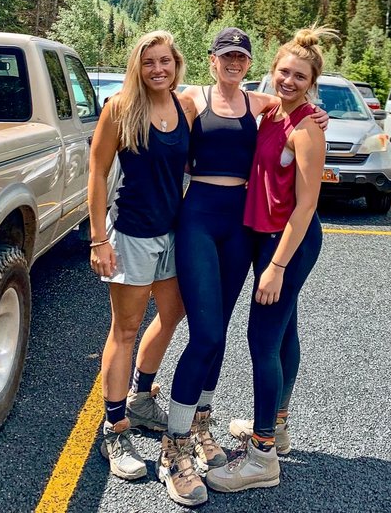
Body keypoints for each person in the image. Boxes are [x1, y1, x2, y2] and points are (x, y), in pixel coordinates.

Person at [158, 27, 327, 507]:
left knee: (257, 336)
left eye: (241, 56)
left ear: (251, 64)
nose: (234, 62)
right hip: (205, 223)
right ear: (211, 60)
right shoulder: (199, 100)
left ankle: (229, 433)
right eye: (226, 55)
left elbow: (305, 164)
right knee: (212, 334)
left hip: (252, 233)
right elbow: (150, 113)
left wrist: (315, 115)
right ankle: (178, 444)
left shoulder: (271, 110)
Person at [206, 27, 329, 493]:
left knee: (262, 340)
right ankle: (276, 427)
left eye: (300, 76)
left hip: (288, 244)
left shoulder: (307, 130)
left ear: (312, 80)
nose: (290, 80)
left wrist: (277, 266)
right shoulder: (272, 111)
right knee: (283, 332)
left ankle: (261, 456)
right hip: (263, 237)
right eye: (283, 72)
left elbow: (305, 206)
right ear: (271, 72)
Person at [87, 30, 202, 495]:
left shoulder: (186, 107)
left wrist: (302, 109)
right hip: (131, 233)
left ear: (177, 64)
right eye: (149, 62)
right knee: (126, 329)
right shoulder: (119, 108)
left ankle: (140, 397)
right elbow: (96, 170)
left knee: (173, 315)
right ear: (138, 66)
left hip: (173, 233)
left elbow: (247, 103)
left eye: (165, 61)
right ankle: (114, 430)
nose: (158, 69)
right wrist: (99, 239)